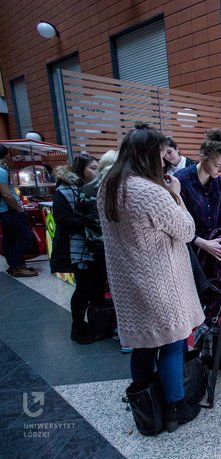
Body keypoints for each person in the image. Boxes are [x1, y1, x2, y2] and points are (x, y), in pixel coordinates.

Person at [98, 122, 203, 432]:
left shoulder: (108, 187)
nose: (163, 160)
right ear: (147, 155)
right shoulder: (150, 192)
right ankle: (175, 410)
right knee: (172, 343)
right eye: (159, 153)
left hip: (128, 282)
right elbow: (187, 230)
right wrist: (177, 196)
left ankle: (146, 406)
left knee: (143, 345)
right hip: (160, 281)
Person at [77, 149, 132, 353]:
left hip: (94, 248)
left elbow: (82, 216)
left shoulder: (87, 188)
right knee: (125, 292)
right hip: (118, 249)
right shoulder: (115, 188)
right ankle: (125, 334)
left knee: (104, 289)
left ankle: (107, 327)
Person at [50, 154, 101, 344]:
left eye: (97, 168)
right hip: (78, 247)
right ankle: (78, 326)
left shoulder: (94, 188)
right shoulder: (64, 190)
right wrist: (92, 224)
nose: (96, 172)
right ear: (81, 169)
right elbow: (63, 219)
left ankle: (97, 323)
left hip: (96, 246)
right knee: (83, 289)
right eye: (92, 168)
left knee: (96, 287)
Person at [174, 128, 221, 262]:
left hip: (213, 246)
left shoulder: (217, 181)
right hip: (189, 248)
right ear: (202, 157)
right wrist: (202, 243)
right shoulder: (181, 179)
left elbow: (218, 214)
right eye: (217, 165)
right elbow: (177, 222)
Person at [0, 145, 38, 277]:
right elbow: (6, 194)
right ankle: (18, 266)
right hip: (10, 210)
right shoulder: (1, 171)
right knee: (24, 237)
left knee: (9, 238)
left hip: (4, 211)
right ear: (6, 155)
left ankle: (14, 265)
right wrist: (19, 208)